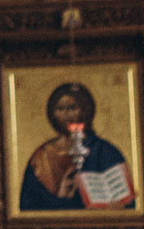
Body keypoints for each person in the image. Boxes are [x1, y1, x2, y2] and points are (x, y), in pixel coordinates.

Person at [19, 83, 135, 211]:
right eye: (60, 108)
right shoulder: (41, 156)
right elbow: (27, 207)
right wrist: (61, 198)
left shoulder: (104, 151)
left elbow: (127, 203)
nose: (66, 114)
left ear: (85, 111)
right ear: (52, 113)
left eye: (72, 108)